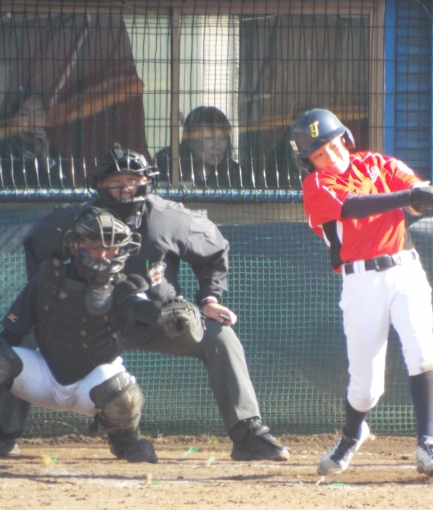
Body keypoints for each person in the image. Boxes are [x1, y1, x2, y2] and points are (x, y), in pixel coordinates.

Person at [0, 144, 289, 461]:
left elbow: (215, 249)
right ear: (99, 185)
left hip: (155, 319)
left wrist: (209, 298)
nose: (125, 188)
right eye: (115, 181)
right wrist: (52, 301)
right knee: (16, 341)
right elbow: (37, 247)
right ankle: (4, 435)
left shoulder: (167, 218)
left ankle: (248, 435)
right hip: (86, 324)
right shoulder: (72, 220)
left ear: (147, 182)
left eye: (133, 180)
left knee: (219, 336)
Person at [289, 109, 433, 477]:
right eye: (319, 154)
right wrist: (407, 195)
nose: (330, 156)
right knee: (366, 387)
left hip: (405, 269)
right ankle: (352, 435)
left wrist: (426, 198)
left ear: (345, 138)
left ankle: (427, 443)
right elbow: (352, 206)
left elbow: (413, 198)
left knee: (421, 351)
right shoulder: (316, 186)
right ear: (309, 162)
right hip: (360, 282)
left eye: (333, 146)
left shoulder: (378, 164)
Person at [0, 207, 158, 463]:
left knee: (121, 391)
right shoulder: (48, 277)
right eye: (95, 246)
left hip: (91, 387)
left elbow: (138, 307)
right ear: (75, 245)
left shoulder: (124, 286)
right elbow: (11, 335)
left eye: (113, 248)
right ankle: (3, 437)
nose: (104, 255)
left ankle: (127, 443)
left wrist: (163, 314)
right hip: (44, 376)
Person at [0, 86, 73, 188]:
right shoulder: (3, 150)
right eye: (24, 115)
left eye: (39, 115)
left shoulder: (55, 155)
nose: (32, 123)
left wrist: (45, 160)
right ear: (10, 118)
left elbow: (65, 190)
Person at [155, 106, 246, 188]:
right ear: (190, 140)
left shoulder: (236, 174)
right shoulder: (166, 168)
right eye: (208, 138)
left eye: (222, 138)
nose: (217, 146)